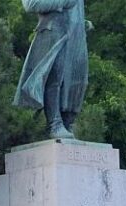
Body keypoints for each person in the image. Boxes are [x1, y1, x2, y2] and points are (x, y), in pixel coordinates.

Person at [14, 0, 88, 139]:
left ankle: (67, 122)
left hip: (75, 35)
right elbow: (30, 4)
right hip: (53, 31)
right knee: (54, 77)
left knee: (78, 80)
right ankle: (55, 123)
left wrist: (81, 21)